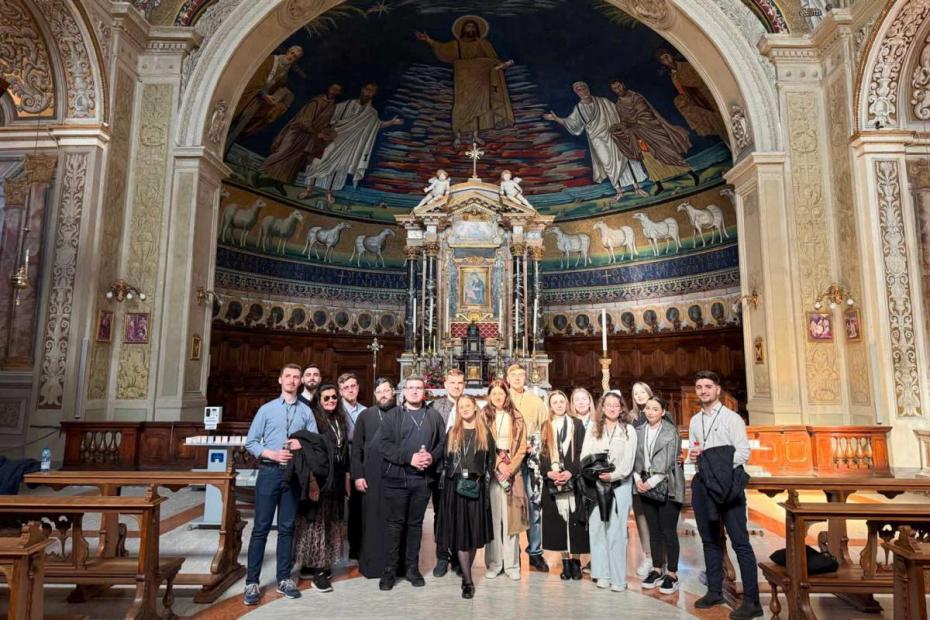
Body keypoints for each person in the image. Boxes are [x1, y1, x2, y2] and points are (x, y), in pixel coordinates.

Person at [243, 363, 319, 605]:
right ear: (280, 380)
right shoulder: (266, 410)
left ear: (300, 382)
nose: (292, 380)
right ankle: (252, 582)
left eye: (296, 377)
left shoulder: (306, 412)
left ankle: (284, 579)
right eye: (288, 376)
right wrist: (272, 454)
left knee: (287, 528)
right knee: (261, 528)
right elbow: (251, 442)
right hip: (269, 472)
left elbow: (315, 441)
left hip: (294, 475)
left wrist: (301, 444)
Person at [688, 370, 762, 619]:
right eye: (699, 387)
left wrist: (714, 465)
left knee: (740, 542)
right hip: (704, 485)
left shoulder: (732, 419)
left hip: (729, 484)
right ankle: (714, 591)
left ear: (718, 390)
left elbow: (743, 453)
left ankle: (752, 601)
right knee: (709, 540)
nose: (703, 391)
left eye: (708, 386)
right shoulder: (695, 421)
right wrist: (695, 456)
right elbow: (696, 450)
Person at [377, 376, 446, 590]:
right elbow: (384, 445)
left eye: (419, 388)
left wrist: (431, 457)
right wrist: (410, 458)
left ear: (424, 392)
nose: (415, 391)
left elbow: (442, 443)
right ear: (404, 392)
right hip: (397, 479)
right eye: (411, 388)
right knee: (395, 525)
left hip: (422, 480)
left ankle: (412, 568)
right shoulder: (393, 415)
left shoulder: (433, 415)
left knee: (415, 525)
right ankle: (390, 571)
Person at [416, 15, 515, 147]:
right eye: (468, 26)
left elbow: (492, 61)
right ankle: (457, 136)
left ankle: (475, 135)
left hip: (481, 79)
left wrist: (501, 65)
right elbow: (442, 48)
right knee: (461, 106)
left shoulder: (484, 44)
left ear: (477, 29)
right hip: (463, 79)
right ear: (463, 29)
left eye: (473, 27)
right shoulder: (456, 44)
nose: (471, 29)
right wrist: (429, 40)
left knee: (479, 107)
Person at [299, 83, 403, 203]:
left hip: (350, 145)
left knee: (339, 168)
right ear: (362, 89)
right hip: (334, 140)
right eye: (367, 89)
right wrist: (326, 132)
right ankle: (309, 189)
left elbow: (376, 126)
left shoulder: (371, 113)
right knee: (319, 162)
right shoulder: (345, 105)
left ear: (374, 94)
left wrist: (391, 122)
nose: (369, 92)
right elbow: (330, 119)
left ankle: (329, 192)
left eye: (372, 91)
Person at [544, 81, 648, 200]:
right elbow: (572, 124)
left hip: (614, 135)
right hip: (598, 140)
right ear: (576, 93)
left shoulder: (603, 101)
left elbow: (618, 112)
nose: (583, 91)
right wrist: (556, 119)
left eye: (584, 88)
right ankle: (619, 191)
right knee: (608, 164)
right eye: (579, 90)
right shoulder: (579, 108)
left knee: (625, 158)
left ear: (588, 88)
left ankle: (637, 187)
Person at [436, 395, 495, 599]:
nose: (465, 409)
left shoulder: (484, 432)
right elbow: (445, 459)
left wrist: (484, 479)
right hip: (455, 487)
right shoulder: (453, 432)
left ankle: (465, 570)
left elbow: (491, 461)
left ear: (475, 408)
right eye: (461, 407)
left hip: (476, 487)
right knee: (461, 533)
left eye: (468, 406)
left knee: (473, 533)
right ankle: (468, 580)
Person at [293, 384, 348, 592]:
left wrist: (346, 477)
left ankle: (318, 565)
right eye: (326, 398)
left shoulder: (339, 419)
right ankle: (318, 572)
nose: (331, 400)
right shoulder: (314, 420)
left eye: (334, 397)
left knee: (330, 522)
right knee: (316, 524)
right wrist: (312, 482)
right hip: (320, 478)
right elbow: (307, 451)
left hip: (336, 479)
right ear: (319, 401)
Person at [580, 391, 637, 592]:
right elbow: (585, 455)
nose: (612, 408)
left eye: (616, 405)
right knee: (597, 530)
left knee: (616, 532)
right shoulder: (593, 428)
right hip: (596, 486)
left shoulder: (629, 430)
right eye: (608, 405)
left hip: (620, 485)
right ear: (602, 408)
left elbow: (629, 461)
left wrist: (613, 475)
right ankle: (602, 574)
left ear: (621, 409)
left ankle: (618, 579)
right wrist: (597, 472)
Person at [351, 378, 403, 579]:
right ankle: (372, 565)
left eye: (386, 391)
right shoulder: (365, 416)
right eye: (379, 392)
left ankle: (397, 566)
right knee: (372, 520)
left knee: (395, 520)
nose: (383, 395)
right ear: (375, 395)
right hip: (371, 476)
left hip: (396, 474)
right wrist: (358, 475)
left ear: (393, 392)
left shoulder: (402, 413)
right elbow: (356, 448)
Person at [608, 79, 698, 195]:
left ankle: (691, 174)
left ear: (623, 85)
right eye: (615, 88)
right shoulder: (619, 105)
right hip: (639, 136)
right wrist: (619, 127)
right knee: (649, 160)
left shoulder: (636, 97)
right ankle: (659, 184)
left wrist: (633, 124)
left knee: (669, 152)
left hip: (651, 129)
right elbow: (625, 121)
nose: (618, 90)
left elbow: (645, 113)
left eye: (619, 86)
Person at [633, 395, 685, 595]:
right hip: (644, 484)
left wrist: (649, 483)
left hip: (667, 486)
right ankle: (656, 569)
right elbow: (635, 458)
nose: (650, 412)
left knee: (668, 531)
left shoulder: (671, 432)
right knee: (653, 531)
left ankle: (672, 574)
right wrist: (637, 479)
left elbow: (668, 463)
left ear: (663, 412)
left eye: (655, 409)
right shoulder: (639, 431)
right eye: (647, 408)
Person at [539, 390, 588, 580]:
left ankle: (576, 561)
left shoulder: (577, 424)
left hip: (573, 480)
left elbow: (582, 452)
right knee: (559, 523)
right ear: (550, 406)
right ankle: (566, 562)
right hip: (554, 480)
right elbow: (542, 453)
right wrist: (548, 472)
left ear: (567, 404)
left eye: (561, 401)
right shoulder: (546, 426)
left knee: (575, 522)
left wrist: (571, 472)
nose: (559, 405)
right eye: (555, 402)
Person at [258, 83, 342, 190]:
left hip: (308, 137)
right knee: (282, 152)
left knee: (295, 161)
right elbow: (304, 121)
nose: (334, 91)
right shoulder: (316, 101)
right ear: (329, 88)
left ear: (339, 93)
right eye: (333, 88)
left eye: (337, 90)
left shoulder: (332, 106)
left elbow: (324, 123)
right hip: (297, 132)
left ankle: (279, 183)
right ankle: (259, 172)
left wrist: (326, 133)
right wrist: (316, 133)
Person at [484, 379, 529, 580]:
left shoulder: (517, 416)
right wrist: (497, 464)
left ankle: (512, 565)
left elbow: (522, 447)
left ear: (506, 395)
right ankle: (495, 563)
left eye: (501, 393)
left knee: (511, 520)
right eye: (494, 393)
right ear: (489, 396)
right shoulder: (484, 415)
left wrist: (510, 468)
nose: (497, 397)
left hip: (512, 472)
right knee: (494, 519)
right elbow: (482, 442)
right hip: (493, 472)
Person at [506, 364, 548, 573]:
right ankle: (510, 552)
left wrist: (535, 446)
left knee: (533, 505)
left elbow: (545, 429)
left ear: (526, 378)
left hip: (531, 460)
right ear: (507, 378)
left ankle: (535, 551)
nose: (517, 378)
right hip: (509, 461)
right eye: (513, 375)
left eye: (521, 375)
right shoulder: (502, 399)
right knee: (510, 505)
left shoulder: (536, 401)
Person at [226, 45, 304, 153]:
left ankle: (225, 149)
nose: (291, 57)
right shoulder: (271, 60)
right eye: (292, 53)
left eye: (295, 57)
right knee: (231, 120)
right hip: (249, 94)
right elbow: (256, 79)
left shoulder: (285, 71)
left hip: (258, 101)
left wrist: (271, 98)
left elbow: (275, 87)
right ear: (288, 51)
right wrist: (263, 94)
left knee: (239, 127)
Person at [430, 369, 466, 577]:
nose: (456, 386)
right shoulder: (435, 407)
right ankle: (442, 557)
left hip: (463, 470)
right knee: (441, 514)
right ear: (445, 385)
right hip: (441, 468)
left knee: (461, 514)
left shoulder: (469, 405)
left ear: (464, 384)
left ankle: (459, 559)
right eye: (452, 382)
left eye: (459, 383)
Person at [655, 49, 728, 142]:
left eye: (666, 56)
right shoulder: (673, 76)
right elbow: (681, 92)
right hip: (696, 101)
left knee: (722, 120)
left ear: (670, 55)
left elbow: (699, 79)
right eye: (663, 60)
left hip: (706, 96)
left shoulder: (686, 65)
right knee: (715, 124)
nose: (667, 60)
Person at [627, 381, 655, 578]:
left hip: (657, 474)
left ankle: (661, 559)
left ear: (649, 392)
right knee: (642, 517)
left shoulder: (661, 412)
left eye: (642, 392)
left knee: (658, 519)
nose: (639, 395)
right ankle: (649, 557)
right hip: (637, 474)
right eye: (635, 393)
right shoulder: (631, 417)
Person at [339, 372, 366, 561]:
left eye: (353, 386)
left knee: (357, 504)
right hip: (342, 456)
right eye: (346, 387)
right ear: (340, 391)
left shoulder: (365, 410)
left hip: (360, 458)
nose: (350, 390)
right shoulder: (336, 408)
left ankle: (355, 548)